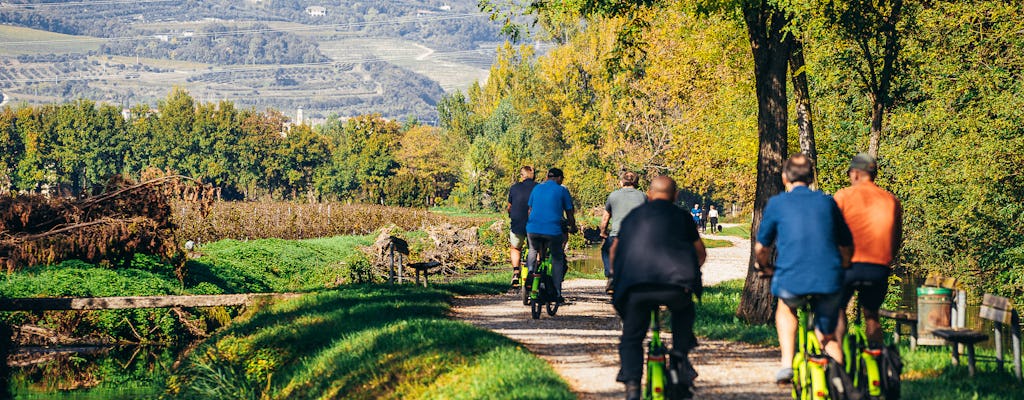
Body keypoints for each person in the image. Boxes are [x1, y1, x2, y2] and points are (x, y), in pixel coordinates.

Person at [754, 154, 853, 384]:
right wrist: (845, 265)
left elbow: (761, 248)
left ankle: (787, 364)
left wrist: (764, 266)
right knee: (827, 332)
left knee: (786, 307)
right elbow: (846, 245)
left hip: (791, 279)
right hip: (828, 278)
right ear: (811, 177)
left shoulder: (777, 204)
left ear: (785, 177)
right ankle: (839, 376)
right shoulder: (828, 202)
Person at [611, 176, 707, 400]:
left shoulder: (633, 217)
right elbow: (700, 253)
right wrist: (691, 272)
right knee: (684, 312)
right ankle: (679, 358)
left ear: (649, 194)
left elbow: (615, 252)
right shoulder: (682, 216)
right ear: (675, 195)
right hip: (675, 286)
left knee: (632, 336)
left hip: (636, 287)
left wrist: (619, 275)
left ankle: (632, 385)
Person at [833, 153, 903, 346]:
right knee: (872, 316)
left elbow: (832, 233)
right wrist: (885, 261)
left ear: (855, 174)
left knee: (838, 309)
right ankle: (876, 364)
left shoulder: (842, 196)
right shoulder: (891, 200)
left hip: (848, 266)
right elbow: (895, 240)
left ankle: (838, 362)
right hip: (878, 267)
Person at [526, 167, 576, 303]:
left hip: (533, 228)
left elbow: (530, 210)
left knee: (532, 249)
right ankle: (557, 292)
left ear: (547, 177)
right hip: (553, 230)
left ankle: (531, 273)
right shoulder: (562, 190)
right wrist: (573, 227)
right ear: (559, 178)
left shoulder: (536, 188)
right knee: (557, 258)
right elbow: (569, 212)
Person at [600, 171, 647, 294]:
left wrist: (603, 232)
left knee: (605, 250)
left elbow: (605, 218)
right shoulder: (643, 196)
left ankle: (611, 276)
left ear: (621, 182)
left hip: (617, 234)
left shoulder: (613, 196)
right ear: (636, 183)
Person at [507, 166, 538, 286]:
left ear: (522, 175)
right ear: (533, 175)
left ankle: (516, 272)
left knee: (515, 248)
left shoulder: (514, 188)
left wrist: (512, 216)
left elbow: (509, 207)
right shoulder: (538, 188)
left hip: (517, 224)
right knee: (535, 248)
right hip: (534, 225)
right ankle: (535, 271)